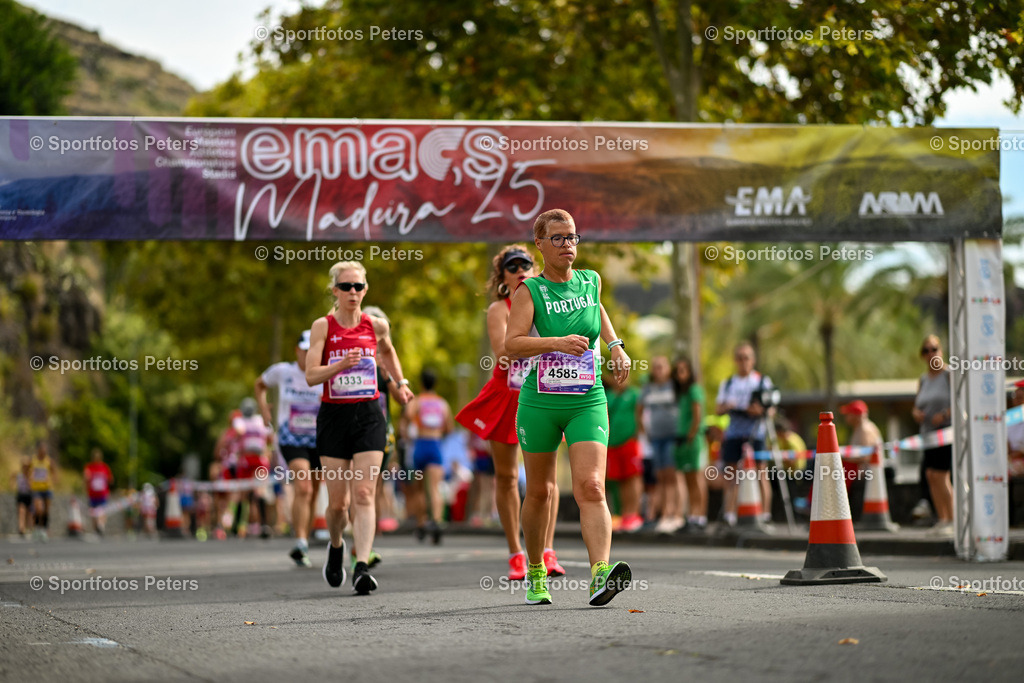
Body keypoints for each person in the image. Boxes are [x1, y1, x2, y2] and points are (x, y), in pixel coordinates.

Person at [505, 208, 633, 606]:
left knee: (591, 485)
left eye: (573, 237)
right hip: (540, 402)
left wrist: (615, 346)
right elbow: (512, 344)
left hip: (587, 399)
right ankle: (537, 569)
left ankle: (599, 574)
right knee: (540, 492)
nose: (567, 245)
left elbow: (599, 310)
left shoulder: (590, 281)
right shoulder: (530, 291)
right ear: (540, 244)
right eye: (558, 238)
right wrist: (556, 343)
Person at [455, 244, 564, 580]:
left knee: (546, 479)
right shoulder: (498, 309)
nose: (520, 270)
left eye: (526, 264)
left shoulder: (551, 301)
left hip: (547, 390)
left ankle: (546, 551)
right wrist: (544, 342)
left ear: (534, 269)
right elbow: (503, 352)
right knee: (505, 477)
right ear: (502, 277)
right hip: (509, 394)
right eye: (512, 267)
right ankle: (517, 554)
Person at [306, 260, 414, 595]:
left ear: (365, 290)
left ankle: (362, 565)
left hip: (368, 415)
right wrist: (340, 365)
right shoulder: (323, 327)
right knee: (338, 505)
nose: (352, 292)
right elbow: (311, 375)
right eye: (345, 287)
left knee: (365, 493)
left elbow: (389, 352)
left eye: (358, 286)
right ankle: (336, 545)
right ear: (334, 291)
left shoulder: (376, 325)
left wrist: (400, 383)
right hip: (334, 417)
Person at [256, 329, 324, 566]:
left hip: (319, 439)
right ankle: (300, 541)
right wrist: (264, 409)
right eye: (304, 351)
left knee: (314, 491)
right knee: (303, 487)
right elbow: (259, 384)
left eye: (312, 350)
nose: (308, 355)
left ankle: (306, 531)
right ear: (297, 351)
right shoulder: (283, 372)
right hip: (290, 438)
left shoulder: (325, 374)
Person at [715, 342, 774, 526]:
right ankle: (729, 514)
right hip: (734, 434)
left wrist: (759, 410)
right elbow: (718, 409)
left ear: (753, 360)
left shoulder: (762, 381)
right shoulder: (728, 383)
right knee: (731, 475)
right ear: (735, 360)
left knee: (760, 472)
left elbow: (771, 409)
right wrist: (729, 407)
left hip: (755, 433)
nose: (743, 362)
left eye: (746, 358)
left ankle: (765, 514)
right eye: (739, 358)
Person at [401, 369, 454, 544]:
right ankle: (437, 522)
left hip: (420, 445)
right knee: (435, 487)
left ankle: (422, 522)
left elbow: (407, 417)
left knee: (418, 489)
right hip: (435, 444)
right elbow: (449, 427)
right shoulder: (443, 403)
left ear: (422, 383)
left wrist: (408, 436)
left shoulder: (417, 401)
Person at [914, 335, 953, 536]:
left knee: (941, 475)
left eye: (934, 349)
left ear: (941, 351)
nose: (931, 353)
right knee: (931, 476)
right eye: (927, 350)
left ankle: (953, 520)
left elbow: (961, 403)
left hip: (946, 433)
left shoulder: (949, 374)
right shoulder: (923, 379)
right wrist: (916, 413)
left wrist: (945, 414)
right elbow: (916, 405)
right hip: (928, 435)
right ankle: (942, 518)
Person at [639, 356, 682, 533]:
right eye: (655, 367)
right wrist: (643, 431)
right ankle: (665, 514)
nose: (658, 370)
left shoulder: (675, 387)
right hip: (655, 437)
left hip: (673, 436)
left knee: (673, 475)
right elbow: (639, 409)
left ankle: (676, 514)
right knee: (661, 476)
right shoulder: (648, 389)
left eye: (662, 367)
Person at [674, 357, 708, 532]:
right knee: (687, 478)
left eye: (683, 370)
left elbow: (697, 417)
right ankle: (692, 515)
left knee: (697, 478)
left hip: (693, 441)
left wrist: (690, 436)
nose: (680, 375)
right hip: (682, 440)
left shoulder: (695, 390)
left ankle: (700, 516)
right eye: (677, 371)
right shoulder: (682, 393)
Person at [606, 378, 644, 532]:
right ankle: (621, 515)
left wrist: (638, 435)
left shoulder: (635, 394)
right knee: (617, 479)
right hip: (612, 443)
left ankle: (633, 514)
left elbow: (640, 415)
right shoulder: (608, 395)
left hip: (629, 441)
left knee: (632, 477)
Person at [233, 397, 273, 538]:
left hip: (259, 458)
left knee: (259, 491)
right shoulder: (240, 420)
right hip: (246, 458)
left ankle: (263, 525)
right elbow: (239, 431)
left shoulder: (259, 420)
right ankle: (237, 525)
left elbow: (270, 438)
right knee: (243, 492)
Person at [30, 442, 57, 541]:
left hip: (47, 488)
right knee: (39, 509)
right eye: (42, 451)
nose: (43, 453)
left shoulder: (49, 461)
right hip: (37, 488)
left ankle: (44, 529)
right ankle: (37, 527)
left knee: (46, 510)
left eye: (45, 451)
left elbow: (54, 471)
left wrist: (53, 480)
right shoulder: (33, 460)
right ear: (39, 451)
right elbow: (26, 469)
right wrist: (29, 479)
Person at [83, 448, 114, 535]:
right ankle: (96, 530)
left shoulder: (104, 467)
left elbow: (110, 479)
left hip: (102, 494)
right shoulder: (89, 467)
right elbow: (85, 478)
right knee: (93, 513)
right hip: (92, 494)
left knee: (102, 511)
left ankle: (100, 525)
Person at [11, 456, 33, 537]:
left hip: (29, 495)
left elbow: (32, 487)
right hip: (21, 495)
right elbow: (12, 477)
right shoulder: (19, 475)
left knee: (29, 513)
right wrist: (12, 485)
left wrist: (28, 479)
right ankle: (21, 528)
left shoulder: (31, 475)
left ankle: (29, 528)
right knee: (21, 511)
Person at [1008, 380, 1024, 478]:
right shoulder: (1010, 418)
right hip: (1011, 459)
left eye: (1020, 398)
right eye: (1015, 397)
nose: (1016, 400)